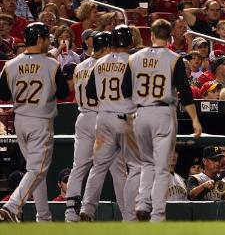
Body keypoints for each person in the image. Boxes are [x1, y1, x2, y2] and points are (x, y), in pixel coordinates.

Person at [127, 19, 202, 221]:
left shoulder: (134, 58)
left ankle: (143, 202)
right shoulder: (173, 58)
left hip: (139, 113)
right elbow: (185, 93)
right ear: (169, 37)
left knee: (146, 163)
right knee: (162, 168)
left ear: (150, 35)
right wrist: (195, 120)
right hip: (162, 112)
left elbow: (125, 90)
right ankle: (157, 215)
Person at [0, 22, 69, 222]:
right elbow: (64, 92)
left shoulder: (10, 64)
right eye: (47, 38)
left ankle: (43, 217)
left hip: (20, 120)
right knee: (37, 170)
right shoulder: (51, 64)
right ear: (39, 39)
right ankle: (12, 207)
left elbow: (3, 93)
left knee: (36, 171)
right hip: (40, 120)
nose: (49, 42)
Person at [64, 31, 127, 222]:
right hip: (102, 117)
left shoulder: (79, 66)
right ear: (107, 47)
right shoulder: (108, 65)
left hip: (83, 117)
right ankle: (127, 214)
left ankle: (70, 212)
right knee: (118, 170)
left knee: (79, 166)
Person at [81, 25, 141, 222]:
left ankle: (87, 210)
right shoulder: (134, 61)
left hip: (103, 118)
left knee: (98, 167)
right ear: (130, 41)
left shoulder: (99, 62)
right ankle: (130, 216)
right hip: (126, 119)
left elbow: (90, 93)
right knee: (136, 168)